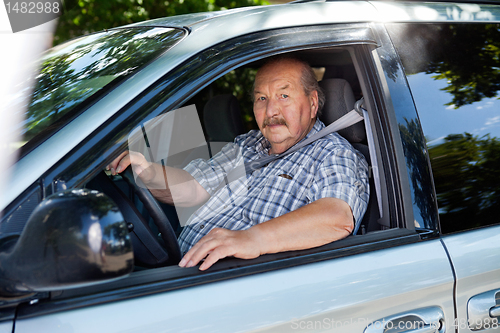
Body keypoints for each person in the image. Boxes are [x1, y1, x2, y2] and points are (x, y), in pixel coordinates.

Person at [108, 56, 369, 270]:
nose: (271, 111)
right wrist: (147, 171)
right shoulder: (248, 144)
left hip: (235, 287)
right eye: (261, 98)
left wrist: (251, 239)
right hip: (183, 269)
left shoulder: (334, 154)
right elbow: (193, 187)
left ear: (312, 103)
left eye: (284, 96)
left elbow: (337, 216)